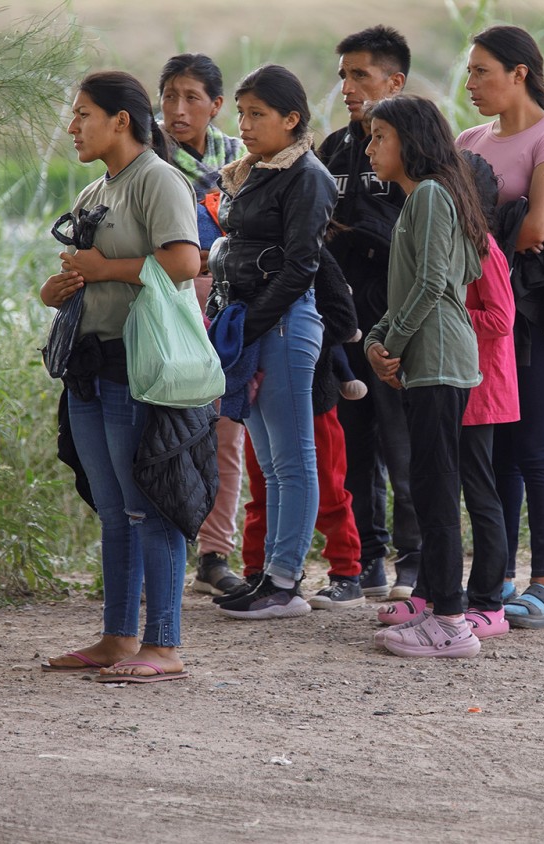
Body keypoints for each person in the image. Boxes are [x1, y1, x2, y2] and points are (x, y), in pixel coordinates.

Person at [39, 71, 201, 680]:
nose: (73, 127)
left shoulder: (158, 179)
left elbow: (185, 261)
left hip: (139, 369)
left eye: (83, 114)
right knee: (114, 511)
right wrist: (58, 290)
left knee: (150, 506)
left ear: (120, 120)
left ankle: (164, 644)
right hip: (89, 369)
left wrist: (104, 268)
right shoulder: (93, 193)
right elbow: (89, 276)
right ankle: (118, 637)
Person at [457, 25, 544, 629]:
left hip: (532, 315)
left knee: (533, 447)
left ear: (519, 73)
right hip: (480, 318)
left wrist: (476, 251)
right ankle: (498, 575)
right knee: (497, 448)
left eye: (483, 71)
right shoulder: (469, 140)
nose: (471, 83)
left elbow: (537, 229)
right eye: (470, 71)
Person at [363, 94, 487, 658]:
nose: (370, 148)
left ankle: (452, 622)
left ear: (410, 142)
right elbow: (413, 289)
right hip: (427, 358)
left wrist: (393, 342)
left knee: (436, 488)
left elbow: (435, 284)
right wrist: (376, 341)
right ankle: (437, 605)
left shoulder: (433, 195)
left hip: (438, 358)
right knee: (431, 481)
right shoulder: (425, 199)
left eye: (379, 136)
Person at [212, 64, 337, 620]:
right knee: (270, 458)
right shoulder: (252, 171)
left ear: (292, 119)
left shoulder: (306, 174)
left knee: (293, 460)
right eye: (241, 113)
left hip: (284, 324)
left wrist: (250, 326)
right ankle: (271, 576)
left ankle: (285, 583)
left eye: (257, 114)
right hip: (258, 320)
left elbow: (301, 266)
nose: (244, 124)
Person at [317, 26, 422, 601]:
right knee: (351, 446)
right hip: (342, 322)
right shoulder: (332, 149)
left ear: (395, 81)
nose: (348, 87)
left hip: (398, 321)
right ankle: (363, 563)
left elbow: (420, 237)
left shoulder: (418, 150)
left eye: (360, 75)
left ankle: (415, 561)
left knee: (403, 444)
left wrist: (356, 234)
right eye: (343, 76)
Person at [156, 52, 249, 597]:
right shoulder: (148, 160)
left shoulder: (243, 159)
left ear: (216, 106)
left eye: (192, 98)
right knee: (159, 430)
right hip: (164, 312)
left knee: (224, 433)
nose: (178, 108)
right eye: (170, 96)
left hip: (226, 314)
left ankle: (214, 553)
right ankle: (160, 544)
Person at [230, 252, 366, 610]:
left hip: (310, 394)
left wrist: (297, 344)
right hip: (260, 387)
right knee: (262, 483)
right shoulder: (250, 254)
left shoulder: (314, 255)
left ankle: (346, 574)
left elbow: (342, 318)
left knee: (327, 488)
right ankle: (259, 571)